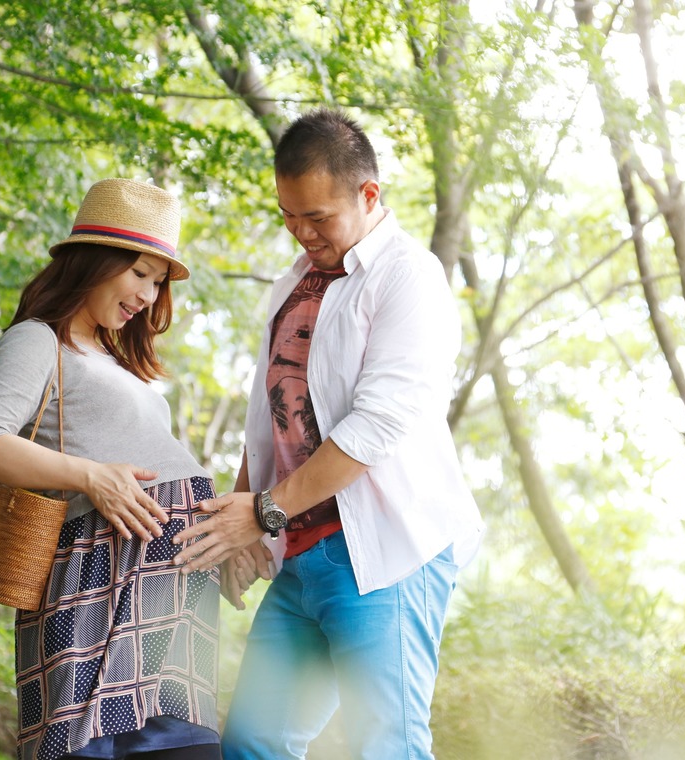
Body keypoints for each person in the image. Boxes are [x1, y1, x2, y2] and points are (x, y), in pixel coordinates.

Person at [171, 108, 485, 759]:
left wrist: (261, 511)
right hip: (300, 553)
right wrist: (242, 521)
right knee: (251, 744)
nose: (302, 231)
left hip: (384, 556)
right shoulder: (294, 283)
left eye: (317, 217)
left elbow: (377, 425)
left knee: (386, 748)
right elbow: (272, 418)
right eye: (289, 215)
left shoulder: (409, 275)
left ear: (369, 195)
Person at [0, 179, 250, 760]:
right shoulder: (38, 341)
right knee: (84, 746)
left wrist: (220, 538)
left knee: (186, 749)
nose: (147, 294)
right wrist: (91, 476)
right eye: (139, 273)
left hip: (169, 591)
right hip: (96, 577)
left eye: (157, 281)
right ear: (95, 259)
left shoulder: (119, 362)